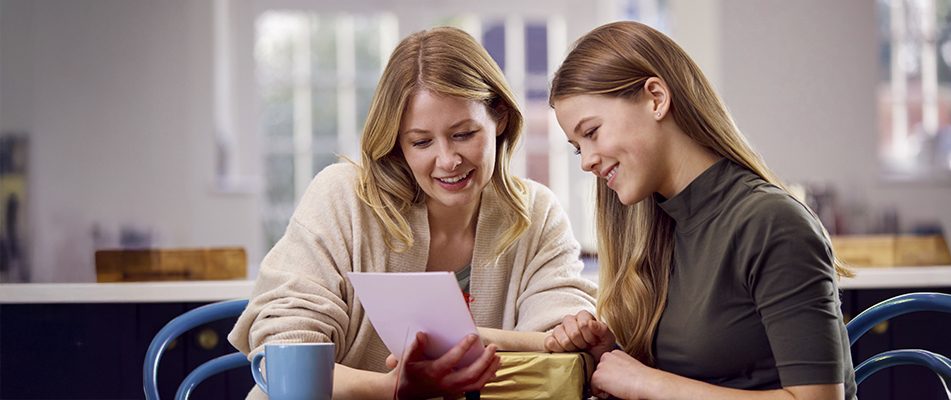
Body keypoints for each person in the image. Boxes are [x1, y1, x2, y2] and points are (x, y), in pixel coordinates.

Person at [229, 26, 597, 400]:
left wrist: (481, 338)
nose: (448, 160)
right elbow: (285, 352)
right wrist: (390, 389)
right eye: (421, 141)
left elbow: (559, 343)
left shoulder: (535, 212)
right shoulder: (342, 198)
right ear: (396, 142)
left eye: (464, 134)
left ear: (499, 117)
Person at [541, 21, 857, 399]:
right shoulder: (659, 225)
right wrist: (611, 357)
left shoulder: (772, 223)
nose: (586, 162)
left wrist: (647, 383)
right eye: (578, 147)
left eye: (591, 132)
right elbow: (702, 375)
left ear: (656, 98)